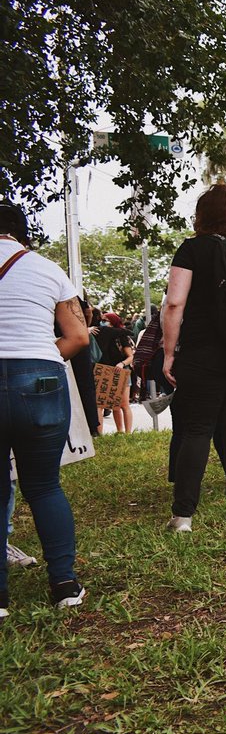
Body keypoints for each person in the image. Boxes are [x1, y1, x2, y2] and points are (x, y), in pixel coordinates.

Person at [0, 201, 91, 617]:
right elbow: (77, 338)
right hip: (41, 378)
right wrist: (36, 356)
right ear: (20, 233)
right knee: (44, 485)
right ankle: (65, 584)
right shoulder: (48, 269)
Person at [161, 185, 226, 531]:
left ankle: (183, 516)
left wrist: (168, 352)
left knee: (197, 430)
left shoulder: (192, 249)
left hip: (203, 352)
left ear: (201, 216)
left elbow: (174, 303)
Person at [94, 311, 135, 433]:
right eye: (102, 320)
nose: (103, 322)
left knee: (123, 404)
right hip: (105, 371)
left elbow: (130, 356)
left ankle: (127, 433)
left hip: (120, 371)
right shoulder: (99, 334)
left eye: (106, 320)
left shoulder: (121, 337)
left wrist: (122, 364)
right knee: (103, 405)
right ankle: (116, 432)